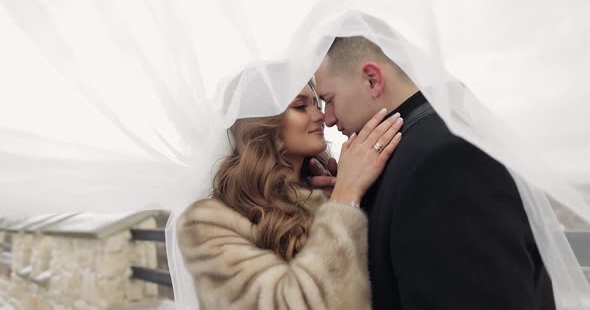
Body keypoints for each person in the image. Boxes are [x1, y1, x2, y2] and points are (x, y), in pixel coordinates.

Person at [312, 36, 556, 310]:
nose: (329, 118)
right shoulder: (410, 151)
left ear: (372, 80)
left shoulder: (448, 161)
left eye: (329, 100)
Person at [177, 79, 404, 309]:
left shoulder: (324, 193)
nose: (321, 117)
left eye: (317, 104)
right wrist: (344, 201)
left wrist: (346, 202)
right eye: (300, 106)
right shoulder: (210, 222)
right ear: (263, 123)